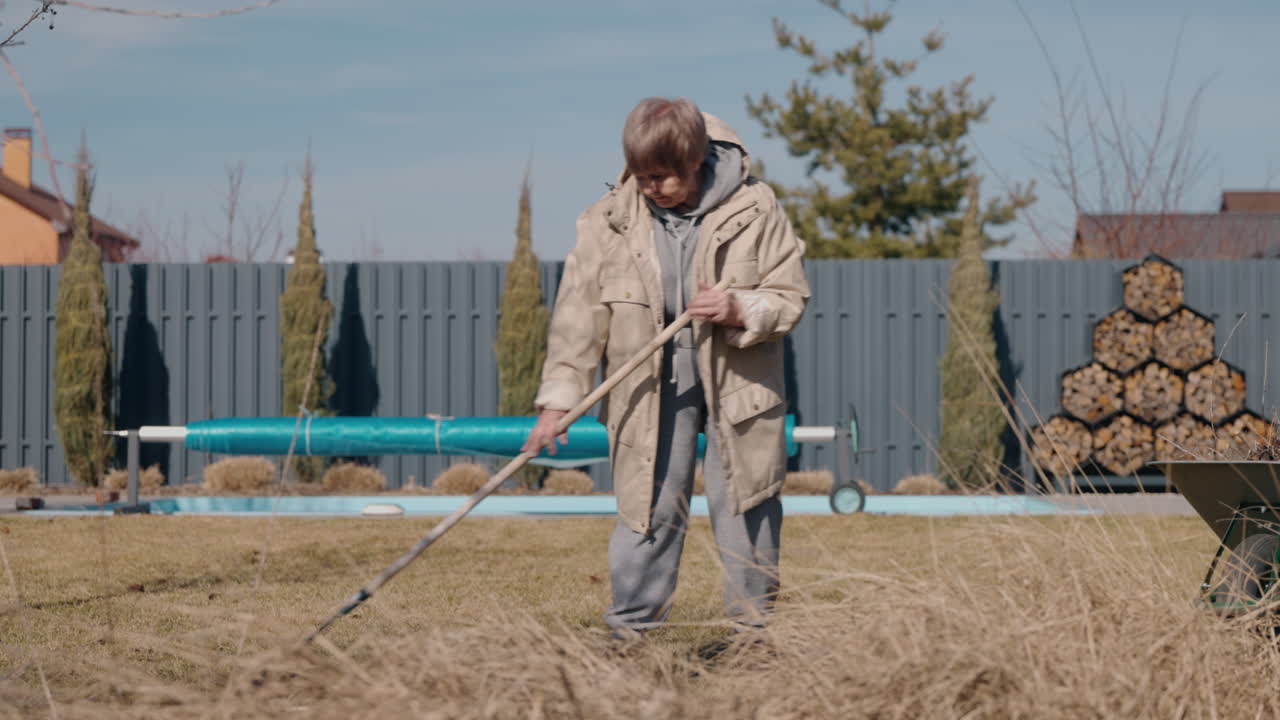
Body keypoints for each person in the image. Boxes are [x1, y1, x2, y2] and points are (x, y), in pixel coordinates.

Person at [522, 97, 810, 637]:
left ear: (697, 160)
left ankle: (756, 638)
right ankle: (630, 636)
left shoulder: (757, 208)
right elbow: (577, 319)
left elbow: (789, 296)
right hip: (647, 384)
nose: (650, 187)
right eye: (641, 174)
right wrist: (557, 401)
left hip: (739, 380)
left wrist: (738, 309)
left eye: (664, 177)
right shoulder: (606, 221)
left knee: (748, 504)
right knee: (646, 504)